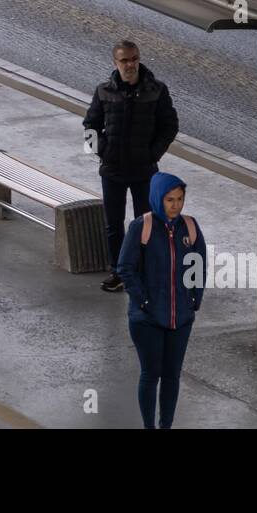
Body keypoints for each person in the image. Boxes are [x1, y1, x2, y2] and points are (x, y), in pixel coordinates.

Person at [83, 40, 179, 293]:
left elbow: (169, 125)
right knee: (113, 224)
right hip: (112, 171)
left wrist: (152, 154)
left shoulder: (156, 90)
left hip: (144, 171)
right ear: (115, 62)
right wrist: (103, 151)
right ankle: (119, 271)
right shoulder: (104, 91)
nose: (130, 64)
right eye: (124, 60)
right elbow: (90, 126)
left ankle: (145, 271)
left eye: (134, 58)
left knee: (146, 223)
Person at [115, 172, 206, 429]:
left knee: (172, 377)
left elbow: (199, 267)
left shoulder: (190, 227)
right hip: (147, 320)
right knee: (150, 375)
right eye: (169, 200)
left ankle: (166, 425)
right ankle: (149, 427)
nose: (175, 205)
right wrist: (144, 303)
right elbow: (125, 269)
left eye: (180, 199)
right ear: (158, 199)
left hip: (181, 319)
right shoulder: (140, 227)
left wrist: (193, 301)